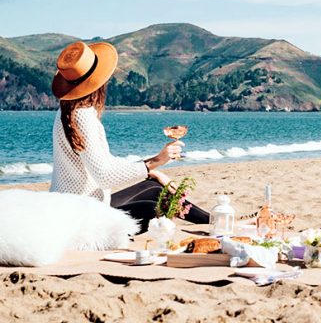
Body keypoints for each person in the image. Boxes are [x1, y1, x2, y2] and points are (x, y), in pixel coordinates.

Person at [49, 41, 209, 233]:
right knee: (152, 207)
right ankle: (216, 221)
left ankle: (213, 220)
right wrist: (156, 161)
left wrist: (151, 170)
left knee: (155, 188)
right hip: (83, 217)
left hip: (73, 208)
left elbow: (104, 163)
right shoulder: (82, 116)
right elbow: (105, 177)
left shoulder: (68, 111)